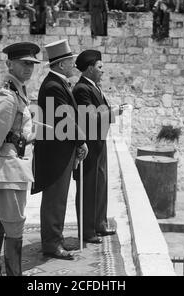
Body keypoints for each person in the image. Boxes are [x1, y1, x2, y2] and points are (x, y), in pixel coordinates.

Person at [0, 42, 40, 276]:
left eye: (32, 64)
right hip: (8, 171)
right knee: (14, 227)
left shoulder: (18, 91)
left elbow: (18, 132)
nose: (29, 68)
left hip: (13, 168)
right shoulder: (7, 95)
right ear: (9, 64)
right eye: (24, 63)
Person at [33, 39, 88, 261]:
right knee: (55, 198)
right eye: (70, 61)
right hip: (56, 152)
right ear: (61, 64)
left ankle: (55, 237)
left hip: (61, 149)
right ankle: (51, 243)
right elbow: (64, 119)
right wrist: (80, 141)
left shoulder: (58, 83)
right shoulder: (54, 86)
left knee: (59, 198)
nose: (74, 65)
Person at [72, 50, 122, 244]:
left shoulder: (95, 87)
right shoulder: (82, 89)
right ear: (90, 68)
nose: (103, 71)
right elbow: (90, 119)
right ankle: (87, 230)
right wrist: (115, 113)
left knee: (100, 185)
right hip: (89, 146)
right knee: (88, 188)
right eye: (100, 67)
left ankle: (99, 223)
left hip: (99, 144)